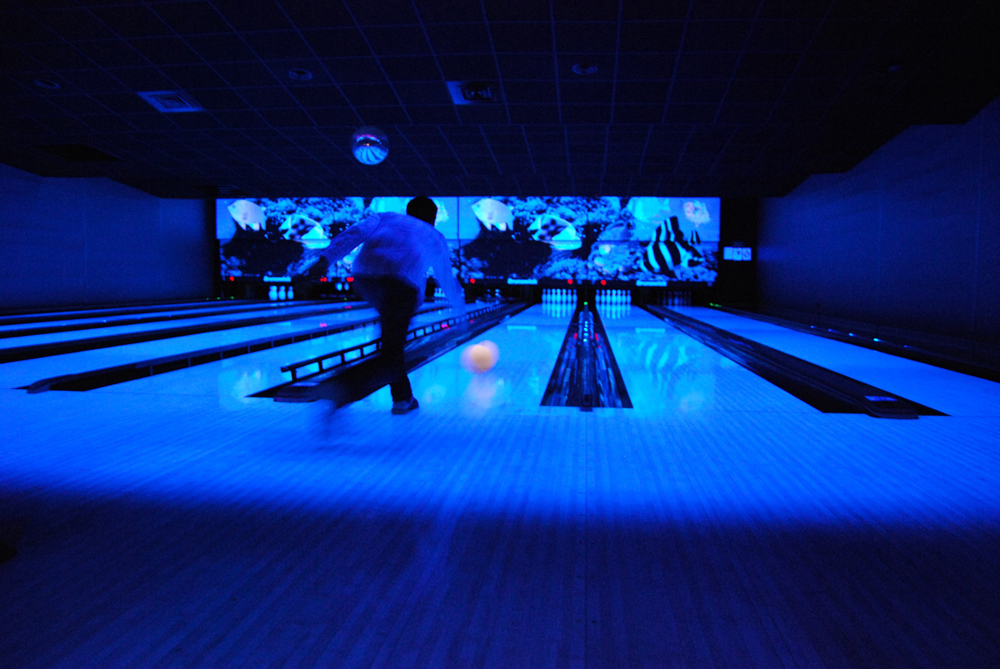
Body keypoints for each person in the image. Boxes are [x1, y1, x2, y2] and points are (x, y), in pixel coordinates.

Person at [316, 197, 465, 414]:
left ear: (407, 211)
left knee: (392, 346)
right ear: (433, 218)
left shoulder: (385, 217)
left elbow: (354, 234)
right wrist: (461, 313)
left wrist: (325, 260)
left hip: (365, 278)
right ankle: (339, 386)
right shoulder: (435, 235)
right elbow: (445, 277)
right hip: (400, 285)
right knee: (390, 353)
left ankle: (403, 398)